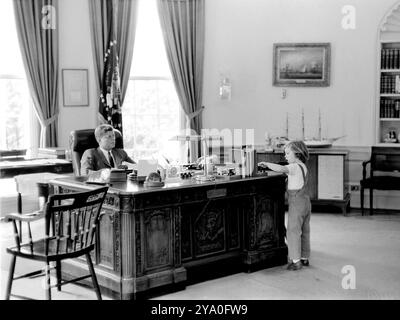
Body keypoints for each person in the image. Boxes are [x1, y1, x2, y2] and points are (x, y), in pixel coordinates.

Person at [258, 140, 311, 271]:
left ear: (297, 154)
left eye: (288, 153)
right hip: (306, 202)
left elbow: (282, 168)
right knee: (305, 231)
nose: (285, 156)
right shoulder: (303, 166)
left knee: (293, 231)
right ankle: (304, 257)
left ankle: (295, 261)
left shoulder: (293, 167)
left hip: (296, 203)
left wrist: (266, 164)